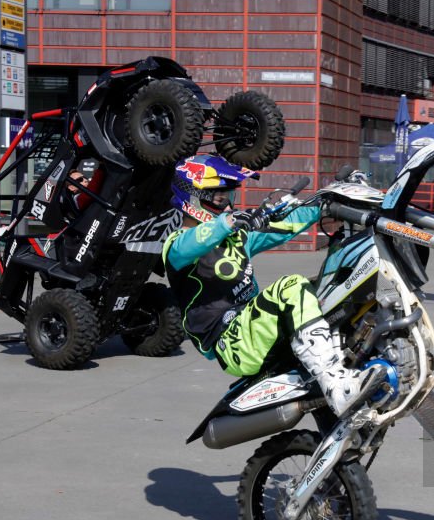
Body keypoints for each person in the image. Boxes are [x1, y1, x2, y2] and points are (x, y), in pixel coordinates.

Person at [162, 154, 381, 418]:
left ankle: (353, 360)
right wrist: (226, 222)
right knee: (292, 286)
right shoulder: (176, 247)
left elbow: (285, 225)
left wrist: (329, 198)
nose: (228, 204)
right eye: (220, 198)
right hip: (232, 342)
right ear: (194, 198)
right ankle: (337, 384)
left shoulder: (238, 237)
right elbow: (193, 243)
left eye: (229, 197)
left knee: (327, 288)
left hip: (256, 330)